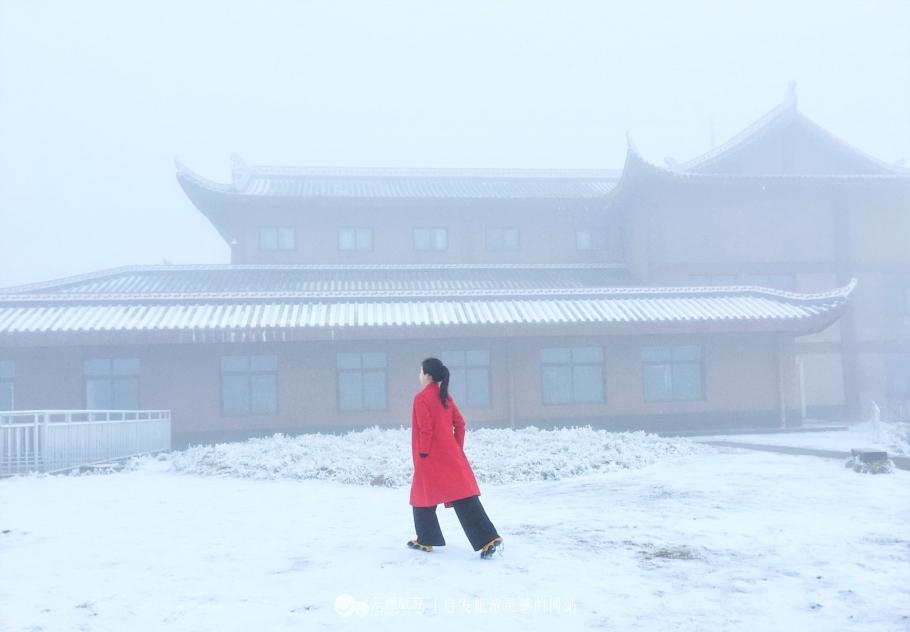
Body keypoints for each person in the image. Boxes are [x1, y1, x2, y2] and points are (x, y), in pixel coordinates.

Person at [407, 357, 503, 559]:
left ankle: (426, 539)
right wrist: (455, 447)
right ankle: (489, 539)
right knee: (463, 496)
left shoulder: (421, 398)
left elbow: (426, 429)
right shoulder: (445, 397)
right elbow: (460, 424)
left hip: (429, 457)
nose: (419, 375)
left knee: (422, 495)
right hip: (450, 456)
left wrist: (423, 452)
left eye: (420, 371)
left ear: (428, 376)